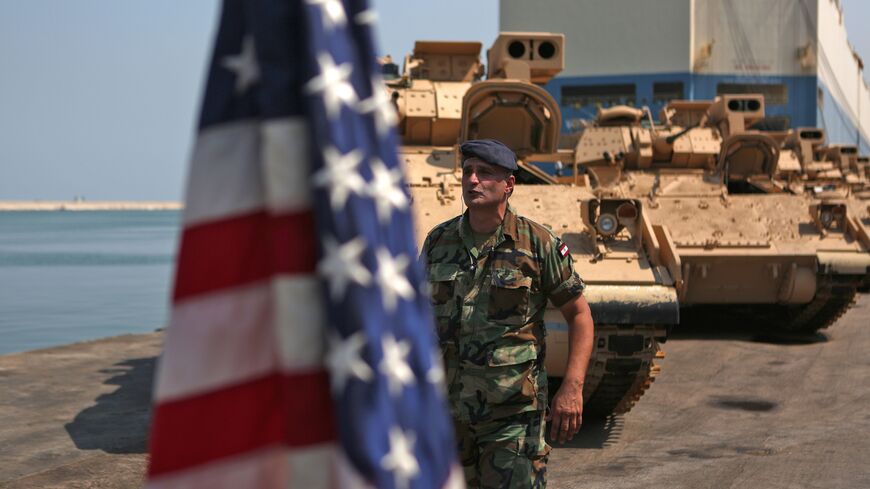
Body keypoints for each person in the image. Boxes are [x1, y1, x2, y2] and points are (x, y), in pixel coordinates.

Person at [420, 139, 594, 488]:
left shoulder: (537, 244)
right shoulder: (439, 242)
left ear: (509, 184)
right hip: (447, 414)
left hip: (512, 416)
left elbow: (579, 315)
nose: (472, 180)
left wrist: (572, 387)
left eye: (484, 173)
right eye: (467, 171)